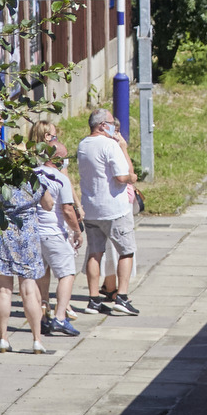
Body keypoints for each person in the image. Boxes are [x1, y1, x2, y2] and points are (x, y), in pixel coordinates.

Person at [0, 136, 54, 354]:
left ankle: (3, 338)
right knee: (28, 289)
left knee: (4, 290)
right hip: (27, 236)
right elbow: (48, 205)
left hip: (4, 232)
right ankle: (36, 340)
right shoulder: (33, 179)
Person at [77, 108, 140, 316]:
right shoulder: (110, 145)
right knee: (126, 251)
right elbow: (123, 176)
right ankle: (121, 296)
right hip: (114, 209)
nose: (114, 126)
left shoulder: (83, 145)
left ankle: (93, 299)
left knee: (95, 253)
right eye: (111, 122)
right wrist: (133, 175)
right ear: (103, 125)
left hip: (92, 208)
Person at [32, 125, 85, 340]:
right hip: (54, 232)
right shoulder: (59, 178)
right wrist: (77, 231)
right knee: (67, 273)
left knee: (41, 274)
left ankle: (42, 315)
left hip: (34, 233)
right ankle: (60, 317)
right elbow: (67, 210)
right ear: (57, 159)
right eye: (64, 158)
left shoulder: (32, 174)